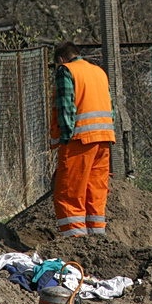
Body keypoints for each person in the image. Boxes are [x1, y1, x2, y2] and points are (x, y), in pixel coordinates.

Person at [49, 41, 116, 237]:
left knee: (69, 192)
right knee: (95, 191)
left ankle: (74, 240)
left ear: (61, 60)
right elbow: (111, 107)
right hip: (104, 139)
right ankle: (97, 238)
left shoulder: (66, 71)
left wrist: (65, 138)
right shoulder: (99, 72)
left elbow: (66, 107)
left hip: (79, 140)